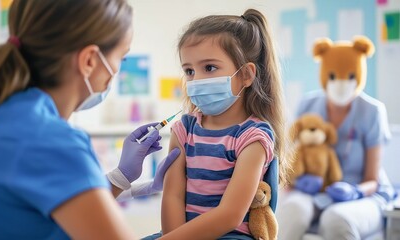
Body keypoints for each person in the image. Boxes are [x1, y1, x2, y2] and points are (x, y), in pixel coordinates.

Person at [0, 1, 180, 239]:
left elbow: (44, 205)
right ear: (90, 60)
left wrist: (121, 176)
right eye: (121, 58)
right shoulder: (49, 140)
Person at [143, 9, 291, 240]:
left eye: (209, 68)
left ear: (246, 75)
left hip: (230, 235)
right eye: (189, 71)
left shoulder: (253, 136)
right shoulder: (184, 129)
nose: (197, 80)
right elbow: (172, 196)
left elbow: (230, 215)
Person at [276, 39, 394, 239]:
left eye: (349, 77)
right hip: (314, 193)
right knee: (292, 211)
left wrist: (354, 191)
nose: (340, 85)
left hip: (362, 195)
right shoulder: (308, 104)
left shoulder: (372, 111)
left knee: (336, 219)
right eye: (333, 77)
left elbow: (372, 180)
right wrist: (296, 181)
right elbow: (293, 156)